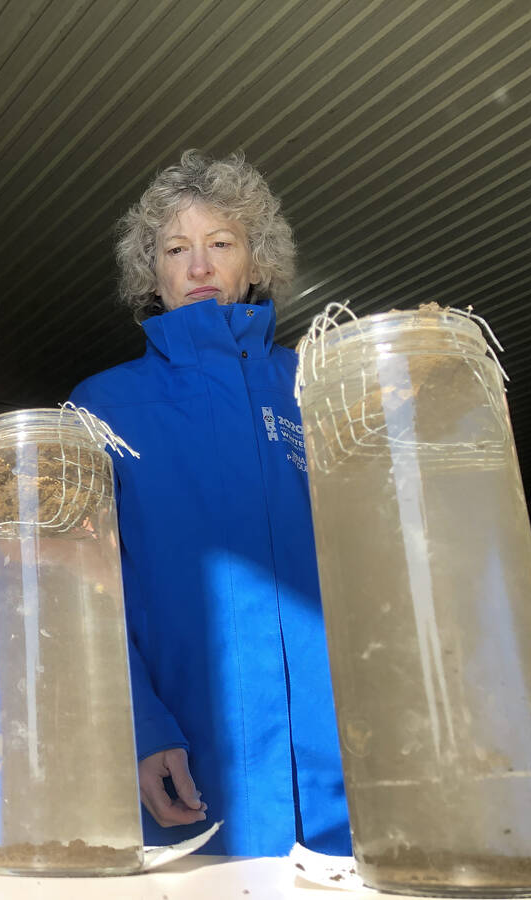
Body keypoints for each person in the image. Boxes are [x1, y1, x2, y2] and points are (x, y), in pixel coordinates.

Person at [68, 150, 350, 857]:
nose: (198, 267)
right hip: (184, 762)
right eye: (175, 249)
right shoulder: (99, 408)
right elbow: (76, 592)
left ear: (254, 262)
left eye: (220, 243)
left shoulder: (324, 388)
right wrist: (139, 727)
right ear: (153, 276)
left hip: (342, 766)